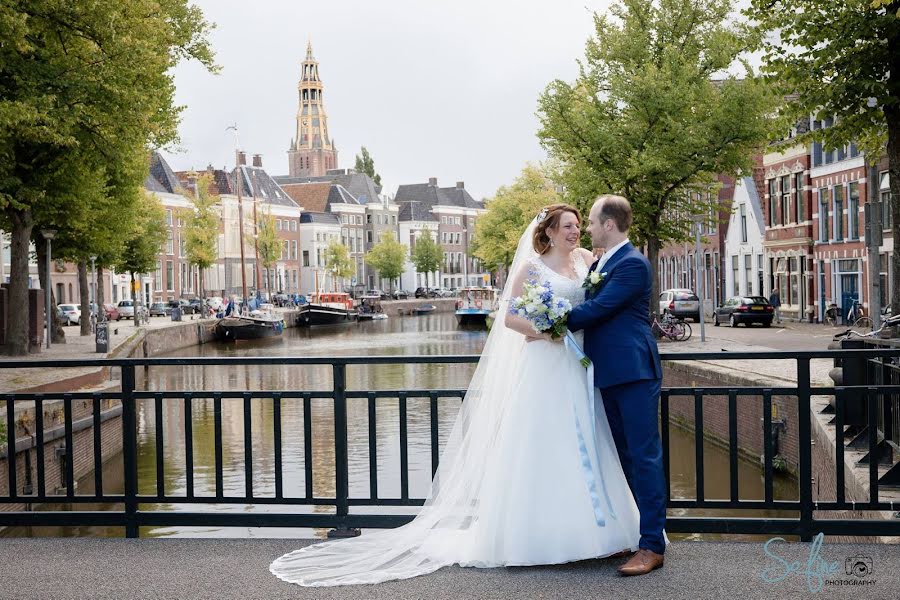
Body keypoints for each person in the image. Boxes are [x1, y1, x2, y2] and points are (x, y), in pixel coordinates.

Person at [269, 203, 645, 587]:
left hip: (579, 365)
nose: (575, 231)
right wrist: (544, 330)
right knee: (542, 445)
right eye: (568, 226)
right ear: (548, 231)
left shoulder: (587, 260)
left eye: (579, 225)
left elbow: (602, 299)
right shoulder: (531, 268)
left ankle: (602, 533)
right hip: (546, 366)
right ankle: (539, 537)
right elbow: (510, 317)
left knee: (591, 444)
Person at [567, 195, 667, 576]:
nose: (588, 228)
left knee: (644, 457)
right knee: (625, 456)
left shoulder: (632, 265)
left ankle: (653, 546)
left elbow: (597, 309)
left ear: (609, 224)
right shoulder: (603, 261)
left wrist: (548, 320)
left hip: (634, 371)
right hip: (609, 371)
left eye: (592, 222)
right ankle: (637, 534)